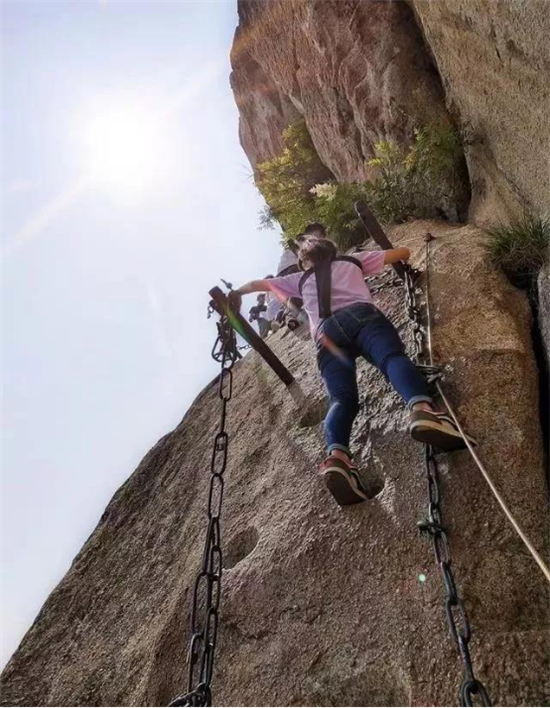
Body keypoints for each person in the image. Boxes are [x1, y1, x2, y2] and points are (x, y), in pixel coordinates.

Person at [231, 225, 476, 506]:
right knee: (390, 359)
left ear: (306, 262)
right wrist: (403, 250)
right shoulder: (353, 261)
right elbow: (402, 253)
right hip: (361, 317)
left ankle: (338, 459)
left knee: (341, 399)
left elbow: (260, 285)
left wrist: (236, 293)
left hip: (326, 336)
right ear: (332, 251)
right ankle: (423, 410)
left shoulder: (300, 278)